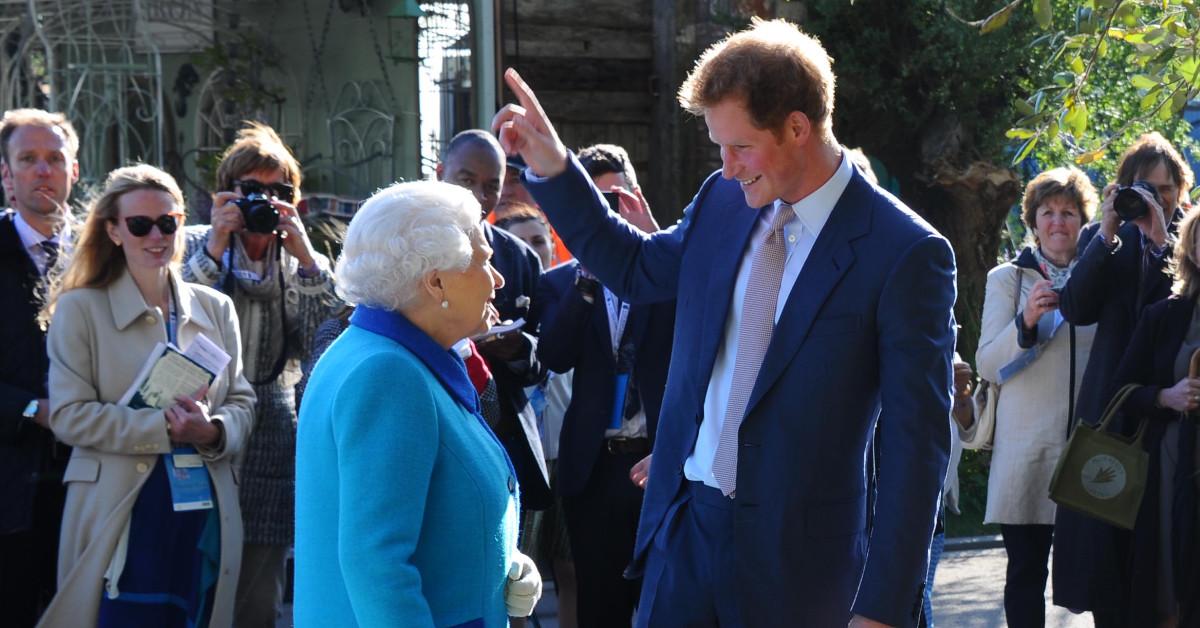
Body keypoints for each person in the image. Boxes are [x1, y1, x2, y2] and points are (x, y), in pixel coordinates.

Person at [493, 17, 956, 628]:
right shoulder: (721, 200)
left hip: (804, 569)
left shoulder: (905, 251)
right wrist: (553, 166)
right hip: (686, 537)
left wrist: (884, 608)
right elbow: (633, 267)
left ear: (797, 128)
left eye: (740, 147)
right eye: (719, 147)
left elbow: (914, 447)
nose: (728, 166)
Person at [294, 180, 542, 626]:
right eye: (485, 262)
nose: (499, 279)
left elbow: (434, 517)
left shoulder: (385, 353)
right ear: (436, 282)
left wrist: (502, 563)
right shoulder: (388, 374)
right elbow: (378, 564)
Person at [37, 164, 255, 626]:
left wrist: (212, 430)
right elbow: (70, 417)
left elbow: (241, 401)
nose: (156, 235)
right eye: (139, 225)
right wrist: (163, 427)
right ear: (114, 231)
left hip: (201, 506)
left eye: (168, 222)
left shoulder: (216, 307)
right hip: (121, 512)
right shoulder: (80, 309)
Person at [181, 122, 339, 628]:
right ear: (222, 195)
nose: (266, 202)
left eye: (280, 191)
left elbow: (324, 343)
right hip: (196, 422)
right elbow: (173, 319)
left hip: (269, 435)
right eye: (253, 190)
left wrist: (308, 260)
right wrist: (216, 244)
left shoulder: (299, 262)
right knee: (190, 572)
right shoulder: (187, 243)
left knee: (256, 594)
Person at [534, 142, 675, 627]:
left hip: (660, 461)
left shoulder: (668, 268)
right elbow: (553, 355)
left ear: (635, 196)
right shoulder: (560, 282)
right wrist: (588, 277)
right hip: (593, 467)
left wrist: (654, 243)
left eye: (616, 201)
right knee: (599, 608)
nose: (608, 215)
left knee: (666, 603)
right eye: (597, 204)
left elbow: (699, 328)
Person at [1055, 133, 1194, 624]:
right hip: (1108, 411)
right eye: (1144, 188)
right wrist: (1109, 231)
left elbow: (1170, 315)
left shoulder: (1188, 246)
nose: (1156, 198)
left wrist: (1163, 243)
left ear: (1182, 193)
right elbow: (1075, 308)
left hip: (1164, 417)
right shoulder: (1104, 239)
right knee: (1103, 561)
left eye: (1166, 190)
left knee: (1153, 564)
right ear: (1122, 187)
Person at [969, 167, 1098, 627]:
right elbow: (986, 364)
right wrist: (1024, 321)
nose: (1058, 222)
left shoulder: (1101, 277)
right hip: (1026, 451)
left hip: (1088, 449)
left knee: (1104, 575)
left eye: (1069, 212)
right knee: (1025, 574)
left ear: (1084, 221)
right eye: (1048, 212)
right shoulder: (1007, 279)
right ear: (1033, 220)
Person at [437, 129, 553, 515]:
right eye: (466, 180)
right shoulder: (410, 248)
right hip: (436, 427)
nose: (477, 196)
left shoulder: (520, 259)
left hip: (504, 435)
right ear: (441, 174)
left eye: (491, 186)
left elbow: (544, 357)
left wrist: (515, 348)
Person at [0, 108, 79, 627]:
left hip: (92, 480)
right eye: (28, 159)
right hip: (10, 487)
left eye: (54, 158)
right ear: (6, 175)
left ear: (74, 168)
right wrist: (32, 409)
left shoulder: (113, 248)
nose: (42, 170)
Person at [1112, 206, 1200, 628]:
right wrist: (1167, 396)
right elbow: (1123, 391)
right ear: (1191, 249)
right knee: (1170, 588)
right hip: (1172, 468)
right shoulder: (1163, 315)